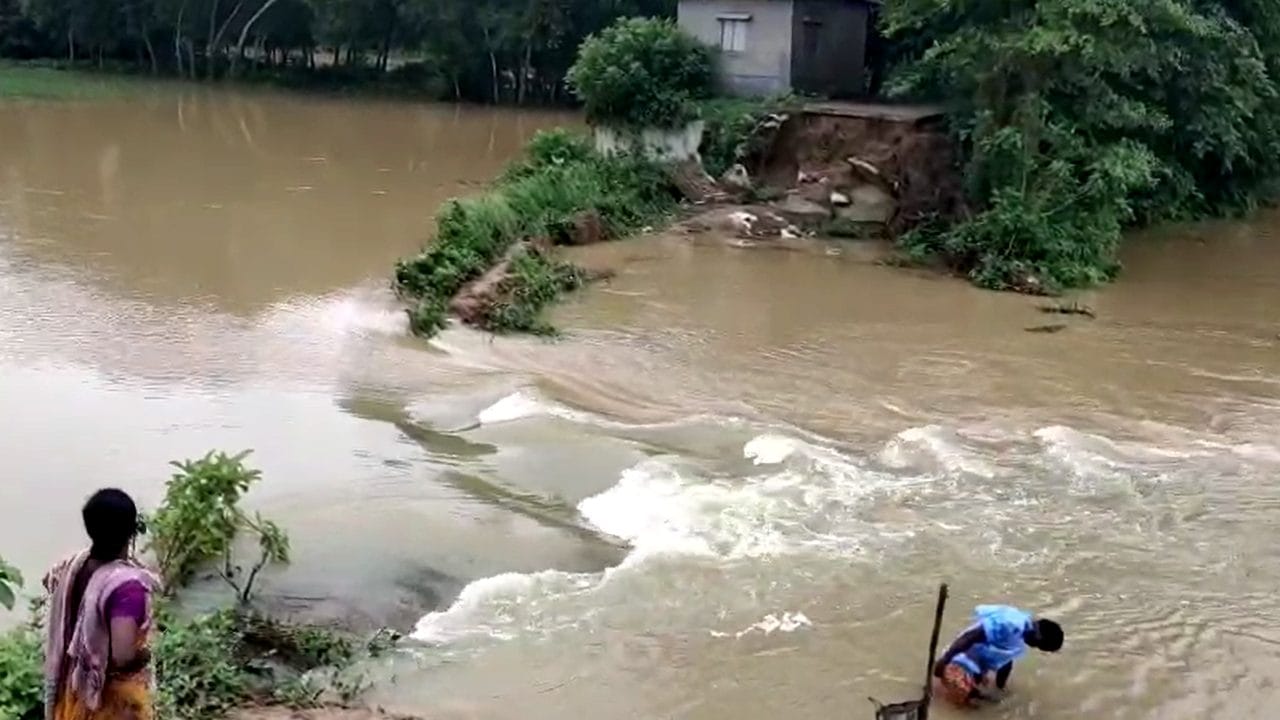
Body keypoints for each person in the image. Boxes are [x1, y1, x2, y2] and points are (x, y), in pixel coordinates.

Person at [42, 488, 159, 720]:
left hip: (74, 689)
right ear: (132, 531)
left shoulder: (72, 565)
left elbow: (49, 580)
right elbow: (123, 656)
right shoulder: (127, 587)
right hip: (110, 704)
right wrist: (146, 654)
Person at [933, 604, 1063, 706]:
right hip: (958, 661)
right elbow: (970, 637)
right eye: (1038, 646)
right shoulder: (1010, 624)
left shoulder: (1020, 635)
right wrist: (944, 660)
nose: (1034, 647)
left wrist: (1001, 688)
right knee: (963, 705)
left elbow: (1006, 662)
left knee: (988, 703)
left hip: (975, 667)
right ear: (1039, 638)